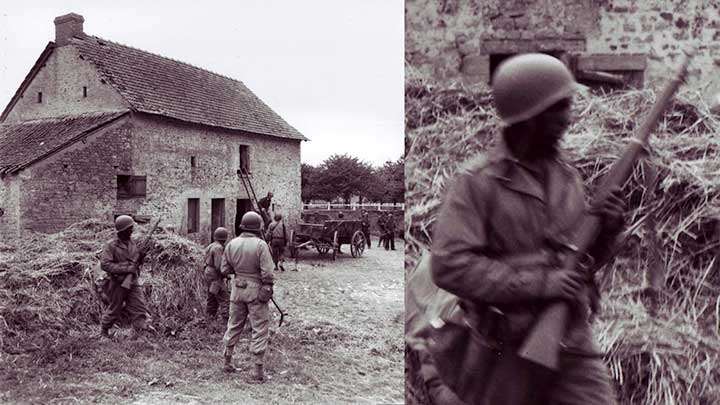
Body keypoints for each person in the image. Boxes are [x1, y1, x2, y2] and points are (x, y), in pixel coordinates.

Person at [429, 53, 625, 404]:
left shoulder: (568, 178)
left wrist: (607, 230)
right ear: (531, 117)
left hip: (571, 336)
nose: (569, 118)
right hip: (505, 347)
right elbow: (450, 265)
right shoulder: (477, 183)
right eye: (560, 107)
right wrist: (542, 283)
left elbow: (583, 261)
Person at [221, 211, 275, 382]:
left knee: (234, 324)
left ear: (243, 226)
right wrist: (267, 286)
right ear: (258, 227)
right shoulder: (260, 245)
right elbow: (267, 272)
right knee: (260, 327)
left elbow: (224, 269)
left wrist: (239, 272)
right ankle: (258, 371)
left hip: (237, 290)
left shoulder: (231, 244)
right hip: (256, 291)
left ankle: (227, 361)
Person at [99, 215, 152, 339]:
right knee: (114, 309)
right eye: (130, 228)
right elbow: (105, 265)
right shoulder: (111, 245)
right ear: (122, 230)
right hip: (117, 283)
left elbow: (135, 263)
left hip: (132, 281)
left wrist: (141, 258)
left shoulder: (132, 243)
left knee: (139, 307)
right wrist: (127, 268)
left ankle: (140, 332)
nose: (132, 230)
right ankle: (104, 331)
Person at [204, 227, 230, 326]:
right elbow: (219, 266)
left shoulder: (211, 245)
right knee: (225, 298)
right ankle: (226, 323)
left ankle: (209, 319)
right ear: (225, 238)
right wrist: (226, 274)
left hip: (208, 273)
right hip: (215, 275)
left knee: (212, 297)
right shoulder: (218, 248)